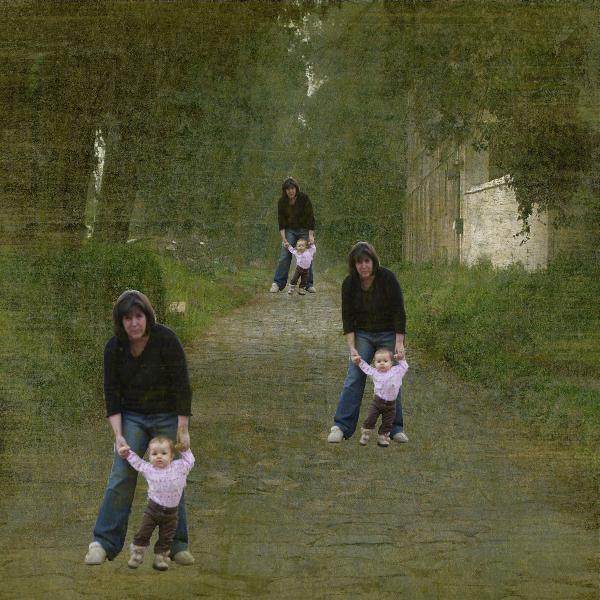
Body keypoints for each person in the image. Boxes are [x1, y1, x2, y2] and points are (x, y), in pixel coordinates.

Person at [84, 289, 195, 567]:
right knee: (121, 475)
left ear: (147, 316)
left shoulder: (166, 339)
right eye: (128, 318)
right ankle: (103, 542)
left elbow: (182, 384)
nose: (134, 323)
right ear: (120, 322)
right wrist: (118, 435)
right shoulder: (114, 348)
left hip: (167, 414)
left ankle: (177, 545)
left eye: (138, 316)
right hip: (131, 416)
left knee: (171, 476)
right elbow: (111, 394)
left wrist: (183, 428)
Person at [327, 242, 409, 444]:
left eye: (367, 261)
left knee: (391, 378)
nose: (363, 266)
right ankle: (341, 426)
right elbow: (347, 318)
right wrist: (352, 348)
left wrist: (399, 343)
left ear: (373, 261)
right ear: (353, 265)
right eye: (359, 262)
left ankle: (395, 428)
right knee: (354, 377)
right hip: (362, 334)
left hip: (388, 333)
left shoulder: (387, 278)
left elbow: (399, 311)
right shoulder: (349, 284)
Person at [118, 436, 195, 571]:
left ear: (171, 456)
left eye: (164, 453)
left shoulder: (179, 467)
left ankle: (160, 558)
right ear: (149, 457)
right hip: (153, 510)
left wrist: (185, 450)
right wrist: (127, 453)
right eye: (154, 454)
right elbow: (138, 463)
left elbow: (190, 460)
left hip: (171, 513)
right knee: (143, 532)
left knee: (167, 537)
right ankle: (137, 555)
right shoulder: (149, 469)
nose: (159, 456)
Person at [352, 348, 409, 447]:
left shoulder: (397, 371)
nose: (382, 363)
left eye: (385, 361)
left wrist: (401, 358)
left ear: (391, 363)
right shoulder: (375, 372)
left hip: (391, 404)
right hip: (377, 402)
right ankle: (365, 434)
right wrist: (359, 361)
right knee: (371, 418)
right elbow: (366, 368)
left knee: (388, 422)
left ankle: (383, 437)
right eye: (378, 361)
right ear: (375, 363)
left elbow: (405, 366)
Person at [269, 177, 316, 293]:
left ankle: (308, 284)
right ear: (285, 191)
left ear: (296, 189)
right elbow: (281, 221)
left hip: (304, 230)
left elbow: (310, 217)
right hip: (290, 230)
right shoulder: (282, 202)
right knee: (284, 255)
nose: (291, 191)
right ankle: (278, 283)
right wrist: (284, 239)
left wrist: (311, 235)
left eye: (292, 188)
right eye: (288, 189)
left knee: (306, 255)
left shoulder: (304, 198)